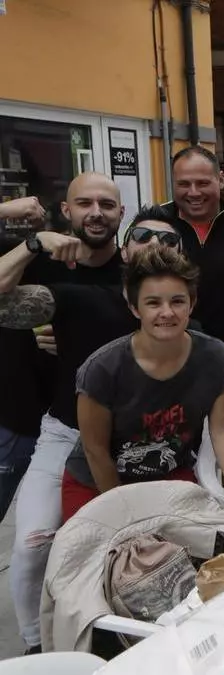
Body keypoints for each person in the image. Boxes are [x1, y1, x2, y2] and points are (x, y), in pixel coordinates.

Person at [0, 201, 190, 655]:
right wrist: (32, 243)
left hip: (148, 442)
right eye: (142, 235)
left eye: (167, 239)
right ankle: (38, 648)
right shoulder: (80, 298)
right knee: (33, 544)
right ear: (125, 249)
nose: (154, 243)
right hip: (70, 436)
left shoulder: (186, 320)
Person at [62, 247, 224, 522]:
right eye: (153, 303)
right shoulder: (102, 369)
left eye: (177, 301)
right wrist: (124, 513)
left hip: (170, 473)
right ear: (134, 307)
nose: (167, 312)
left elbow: (222, 428)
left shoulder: (213, 355)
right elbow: (96, 451)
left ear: (191, 304)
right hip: (97, 483)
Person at [0, 189, 121, 523]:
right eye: (85, 203)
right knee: (30, 542)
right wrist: (31, 239)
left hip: (83, 423)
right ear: (67, 210)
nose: (96, 212)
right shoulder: (35, 255)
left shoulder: (130, 272)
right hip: (22, 412)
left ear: (121, 213)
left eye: (106, 204)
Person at [161, 146, 224, 367]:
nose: (194, 192)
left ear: (221, 180)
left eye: (203, 183)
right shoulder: (154, 224)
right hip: (169, 352)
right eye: (183, 184)